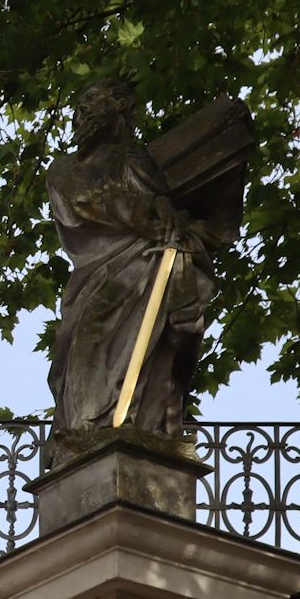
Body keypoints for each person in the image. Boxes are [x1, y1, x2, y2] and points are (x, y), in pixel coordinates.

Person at [47, 81, 218, 437]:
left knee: (158, 345)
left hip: (154, 263)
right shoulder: (65, 169)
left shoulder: (141, 162)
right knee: (87, 337)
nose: (81, 112)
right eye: (78, 105)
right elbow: (86, 203)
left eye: (92, 100)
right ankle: (87, 432)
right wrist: (151, 216)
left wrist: (166, 212)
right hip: (100, 273)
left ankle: (139, 425)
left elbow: (167, 204)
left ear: (121, 105)